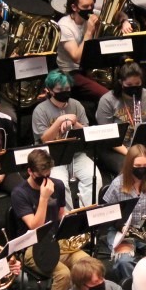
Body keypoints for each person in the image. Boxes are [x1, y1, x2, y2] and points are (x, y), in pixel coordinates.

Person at [10, 148, 89, 290]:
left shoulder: (57, 185)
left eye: (48, 175)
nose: (46, 180)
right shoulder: (19, 193)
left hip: (55, 241)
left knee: (87, 264)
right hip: (32, 247)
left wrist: (76, 221)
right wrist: (44, 198)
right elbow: (35, 226)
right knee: (63, 274)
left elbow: (61, 215)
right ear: (30, 171)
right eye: (41, 176)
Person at [31, 69, 99, 209]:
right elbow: (44, 139)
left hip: (76, 154)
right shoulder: (40, 110)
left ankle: (88, 213)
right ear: (50, 90)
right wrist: (60, 121)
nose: (65, 92)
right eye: (60, 90)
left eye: (67, 89)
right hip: (53, 157)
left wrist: (74, 123)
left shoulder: (76, 105)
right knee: (60, 184)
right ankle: (68, 217)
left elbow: (87, 133)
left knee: (94, 177)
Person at [101, 144, 146, 281]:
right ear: (129, 165)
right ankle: (136, 286)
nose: (141, 169)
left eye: (145, 166)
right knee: (124, 261)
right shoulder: (117, 184)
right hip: (122, 232)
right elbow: (106, 214)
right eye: (137, 166)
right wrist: (121, 226)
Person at [55, 0, 128, 102]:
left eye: (92, 6)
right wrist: (89, 32)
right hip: (71, 73)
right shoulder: (64, 26)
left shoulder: (93, 14)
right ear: (74, 7)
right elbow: (77, 58)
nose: (90, 10)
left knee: (123, 85)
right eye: (85, 7)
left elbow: (119, 14)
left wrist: (125, 21)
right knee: (107, 95)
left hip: (89, 67)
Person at [95, 61, 146, 177]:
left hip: (143, 146)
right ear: (121, 83)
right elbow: (107, 135)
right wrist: (131, 154)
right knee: (127, 169)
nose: (134, 88)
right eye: (129, 85)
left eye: (137, 84)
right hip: (116, 147)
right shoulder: (107, 100)